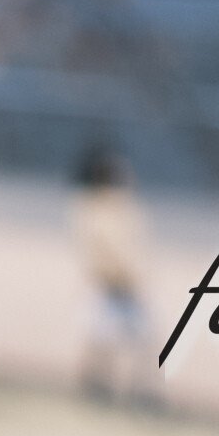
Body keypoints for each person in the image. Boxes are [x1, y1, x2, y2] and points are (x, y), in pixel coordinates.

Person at [71, 145, 157, 405]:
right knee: (102, 341)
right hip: (108, 285)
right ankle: (97, 387)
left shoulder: (124, 206)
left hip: (128, 286)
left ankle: (140, 391)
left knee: (144, 339)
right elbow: (105, 250)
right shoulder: (93, 208)